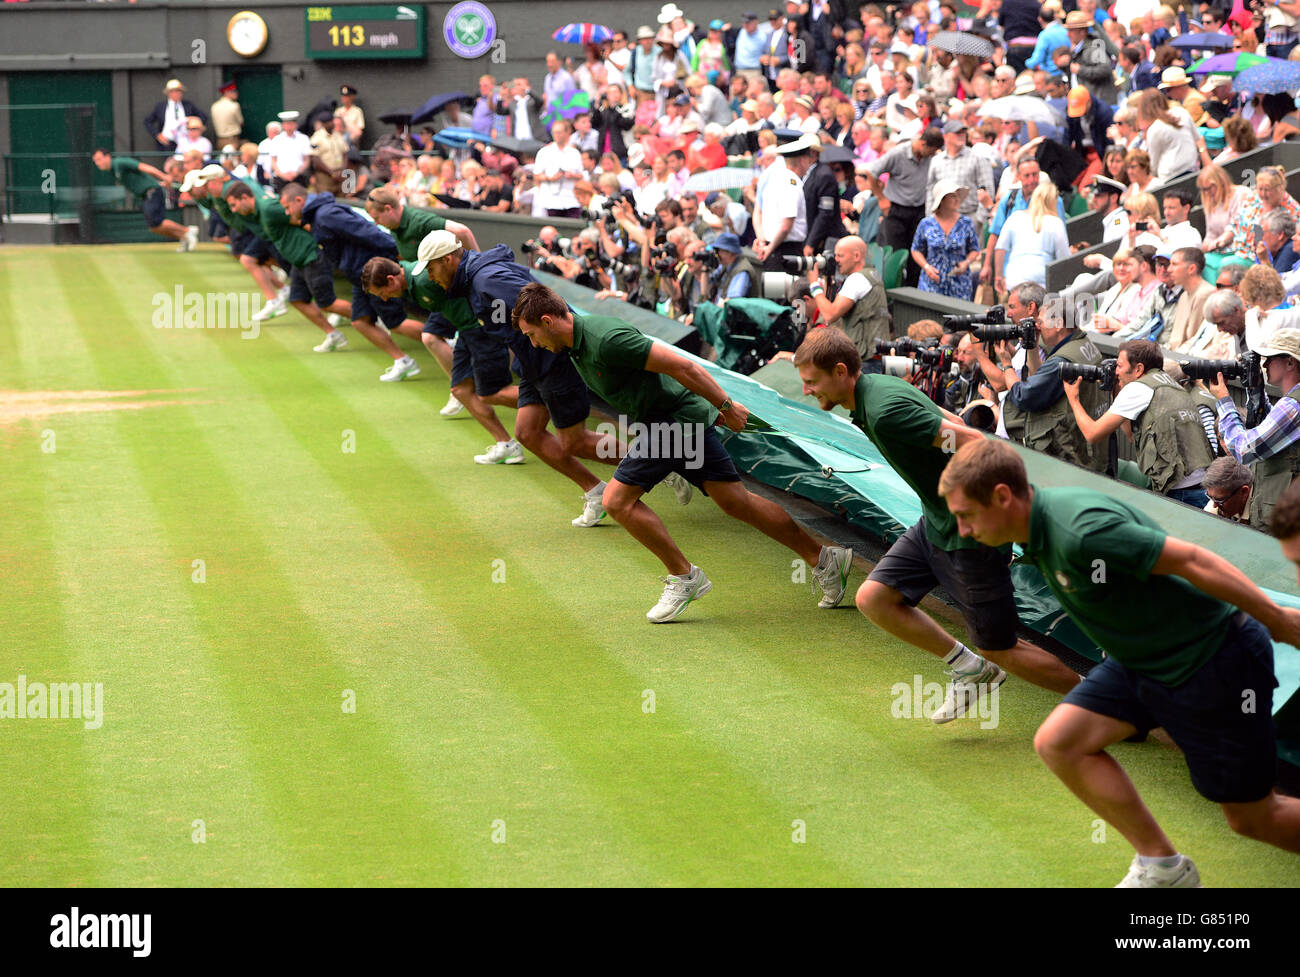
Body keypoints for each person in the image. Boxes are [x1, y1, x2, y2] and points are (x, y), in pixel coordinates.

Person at [936, 437, 1300, 887]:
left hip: (1211, 658)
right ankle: (1163, 867)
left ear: (1002, 496)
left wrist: (1277, 619)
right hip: (1142, 660)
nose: (963, 530)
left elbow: (1190, 559)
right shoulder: (1034, 526)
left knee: (1253, 818)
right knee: (1060, 742)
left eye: (966, 516)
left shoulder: (1081, 530)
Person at [511, 281, 854, 621]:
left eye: (531, 335)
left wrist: (726, 405)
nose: (533, 344)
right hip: (671, 421)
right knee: (736, 502)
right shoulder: (573, 347)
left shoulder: (607, 339)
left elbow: (683, 366)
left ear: (547, 321)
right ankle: (824, 558)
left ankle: (684, 576)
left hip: (673, 422)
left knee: (616, 500)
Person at [794, 328, 1082, 725]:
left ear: (840, 371)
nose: (807, 390)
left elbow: (971, 443)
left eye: (811, 382)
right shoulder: (874, 391)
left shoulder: (885, 410)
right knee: (874, 598)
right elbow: (946, 422)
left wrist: (992, 508)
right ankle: (968, 667)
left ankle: (1103, 703)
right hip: (935, 521)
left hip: (969, 535)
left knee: (1001, 649)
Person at [281, 183, 424, 382]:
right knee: (360, 321)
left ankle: (446, 341)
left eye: (288, 208)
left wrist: (394, 250)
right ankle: (403, 361)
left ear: (299, 201)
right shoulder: (318, 217)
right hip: (360, 277)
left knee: (396, 323)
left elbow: (365, 232)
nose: (287, 213)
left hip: (375, 274)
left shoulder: (326, 215)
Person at [1064, 339, 1216, 506]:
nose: (1116, 372)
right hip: (1201, 486)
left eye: (1120, 366)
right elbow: (1132, 436)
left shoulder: (1138, 389)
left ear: (1138, 369)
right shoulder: (1169, 382)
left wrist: (1074, 399)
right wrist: (1117, 392)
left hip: (1180, 492)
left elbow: (1092, 434)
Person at [981, 281, 1111, 472]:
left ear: (1058, 324)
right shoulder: (1083, 344)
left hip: (1070, 453)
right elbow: (1038, 378)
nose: (1038, 327)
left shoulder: (1062, 359)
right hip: (1088, 448)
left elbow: (1023, 396)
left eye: (1041, 322)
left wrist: (1006, 363)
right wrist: (1032, 346)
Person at [225, 180, 352, 351]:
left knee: (327, 303)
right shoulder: (258, 212)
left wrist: (319, 241)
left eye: (234, 205)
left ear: (246, 197)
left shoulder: (268, 208)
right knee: (298, 299)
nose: (233, 210)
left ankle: (370, 318)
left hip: (311, 255)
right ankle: (333, 335)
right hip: (299, 260)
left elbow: (303, 216)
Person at [1208, 329, 1300, 533]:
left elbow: (1244, 450)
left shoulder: (1293, 406)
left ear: (1290, 362)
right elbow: (1272, 433)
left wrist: (1224, 400)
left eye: (1270, 358)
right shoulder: (1292, 402)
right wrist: (1255, 388)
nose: (1264, 365)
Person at [863, 127, 944, 287]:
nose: (932, 154)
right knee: (897, 255)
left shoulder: (931, 157)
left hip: (919, 210)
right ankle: (894, 292)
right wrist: (881, 198)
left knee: (918, 254)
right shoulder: (898, 153)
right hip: (896, 210)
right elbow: (871, 172)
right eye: (931, 151)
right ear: (922, 143)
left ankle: (912, 293)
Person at [91, 148, 197, 251]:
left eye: (99, 159)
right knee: (154, 227)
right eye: (95, 161)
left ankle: (188, 231)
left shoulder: (120, 162)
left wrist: (164, 177)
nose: (97, 163)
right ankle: (184, 236)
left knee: (156, 222)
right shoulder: (113, 171)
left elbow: (145, 168)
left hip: (152, 192)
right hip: (147, 194)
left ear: (107, 156)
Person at [804, 235, 892, 359]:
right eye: (835, 256)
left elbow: (830, 315)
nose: (836, 260)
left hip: (866, 360)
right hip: (875, 354)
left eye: (840, 256)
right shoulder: (871, 275)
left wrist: (814, 284)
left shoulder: (857, 279)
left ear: (856, 256)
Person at [753, 133, 815, 271]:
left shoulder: (773, 177)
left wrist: (762, 241)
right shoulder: (791, 182)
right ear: (801, 160)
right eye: (807, 158)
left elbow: (758, 211)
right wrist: (769, 248)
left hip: (773, 246)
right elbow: (786, 226)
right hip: (785, 250)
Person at [911, 179, 979, 301]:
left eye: (958, 196)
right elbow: (915, 250)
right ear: (942, 200)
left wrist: (966, 263)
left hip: (959, 283)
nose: (957, 199)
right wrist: (926, 267)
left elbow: (974, 249)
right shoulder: (926, 223)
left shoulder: (966, 223)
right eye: (952, 196)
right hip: (932, 281)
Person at [995, 182, 1069, 293]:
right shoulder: (1056, 223)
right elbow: (1064, 258)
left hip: (1014, 279)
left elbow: (1000, 248)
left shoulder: (1015, 217)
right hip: (1041, 282)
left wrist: (999, 276)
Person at [1137, 89, 1199, 184]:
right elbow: (1197, 139)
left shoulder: (1154, 129)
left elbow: (1153, 164)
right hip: (1192, 170)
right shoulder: (1182, 112)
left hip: (1169, 178)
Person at [1161, 247, 1217, 351]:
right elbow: (1175, 339)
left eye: (1174, 264)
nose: (1169, 269)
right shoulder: (1183, 296)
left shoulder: (1204, 294)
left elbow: (1194, 340)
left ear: (1191, 269)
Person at [144, 79, 208, 154]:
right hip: (168, 142)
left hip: (186, 142)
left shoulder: (188, 105)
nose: (177, 93)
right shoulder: (161, 106)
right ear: (168, 93)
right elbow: (148, 121)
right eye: (174, 91)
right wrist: (158, 135)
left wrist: (192, 121)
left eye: (179, 91)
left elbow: (203, 117)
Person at [267, 110, 315, 192]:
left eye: (291, 124)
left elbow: (307, 160)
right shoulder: (277, 140)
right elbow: (273, 161)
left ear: (296, 124)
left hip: (299, 177)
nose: (289, 127)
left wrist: (296, 173)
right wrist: (282, 174)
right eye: (286, 124)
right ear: (283, 125)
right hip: (281, 179)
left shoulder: (303, 139)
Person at [1201, 457, 1255, 524]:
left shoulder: (1268, 515)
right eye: (1210, 497)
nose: (1214, 505)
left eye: (1220, 500)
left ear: (1244, 492)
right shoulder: (1216, 501)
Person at [210, 82, 243, 148]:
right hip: (232, 139)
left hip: (220, 140)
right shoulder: (234, 105)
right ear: (226, 92)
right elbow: (241, 122)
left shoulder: (215, 106)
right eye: (233, 91)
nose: (236, 93)